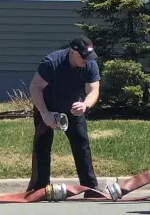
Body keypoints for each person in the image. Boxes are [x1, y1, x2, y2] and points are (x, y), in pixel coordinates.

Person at [27, 36, 101, 195]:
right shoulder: (51, 63)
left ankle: (90, 187)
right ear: (73, 51)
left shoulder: (90, 64)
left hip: (73, 107)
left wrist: (85, 104)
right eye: (83, 56)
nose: (87, 60)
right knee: (42, 146)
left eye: (89, 57)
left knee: (82, 143)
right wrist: (45, 114)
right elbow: (35, 88)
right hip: (47, 107)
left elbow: (94, 90)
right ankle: (39, 189)